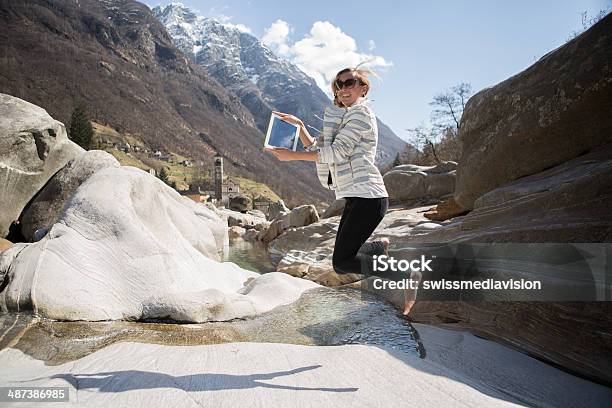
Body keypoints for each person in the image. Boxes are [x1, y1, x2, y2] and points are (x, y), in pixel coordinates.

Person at [265, 67, 417, 315]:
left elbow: (337, 153)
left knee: (343, 262)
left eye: (349, 83)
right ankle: (377, 248)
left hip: (369, 197)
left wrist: (292, 156)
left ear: (362, 87)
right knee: (344, 259)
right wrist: (301, 126)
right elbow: (323, 149)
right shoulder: (347, 116)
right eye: (339, 84)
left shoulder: (360, 115)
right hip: (357, 197)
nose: (343, 88)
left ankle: (407, 274)